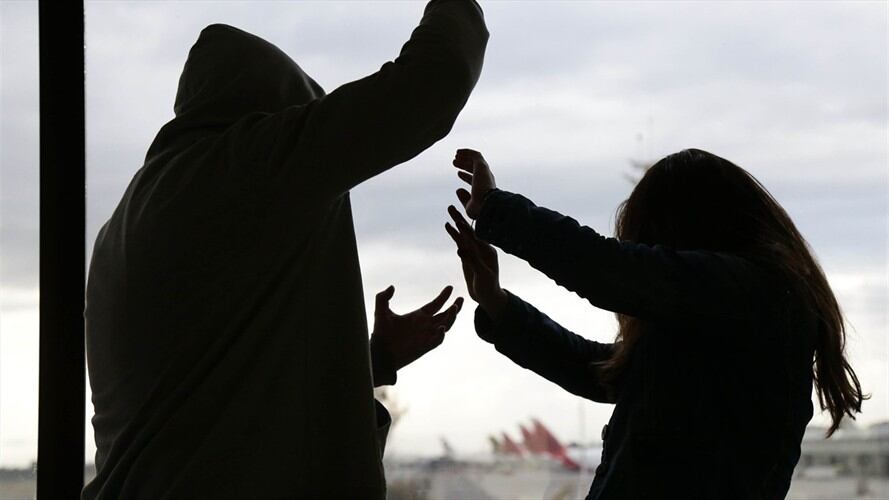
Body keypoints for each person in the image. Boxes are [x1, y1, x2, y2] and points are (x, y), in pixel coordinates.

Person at [83, 3, 487, 498]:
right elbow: (436, 80)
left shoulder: (126, 223)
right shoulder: (250, 169)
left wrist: (372, 358)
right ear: (272, 110)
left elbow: (204, 390)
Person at [445, 148, 867, 499]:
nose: (648, 257)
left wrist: (498, 209)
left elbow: (606, 270)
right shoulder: (739, 311)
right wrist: (496, 303)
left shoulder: (751, 294)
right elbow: (604, 370)